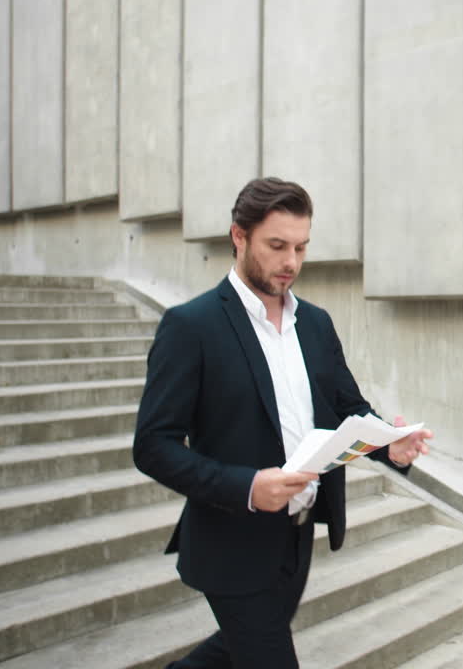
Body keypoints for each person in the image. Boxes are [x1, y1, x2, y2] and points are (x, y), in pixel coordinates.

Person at [133, 177, 433, 668]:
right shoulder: (191, 326)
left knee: (236, 648)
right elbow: (152, 446)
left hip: (298, 534)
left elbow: (348, 407)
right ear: (239, 236)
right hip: (232, 542)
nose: (291, 261)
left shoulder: (315, 323)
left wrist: (389, 445)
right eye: (277, 246)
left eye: (301, 247)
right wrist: (248, 487)